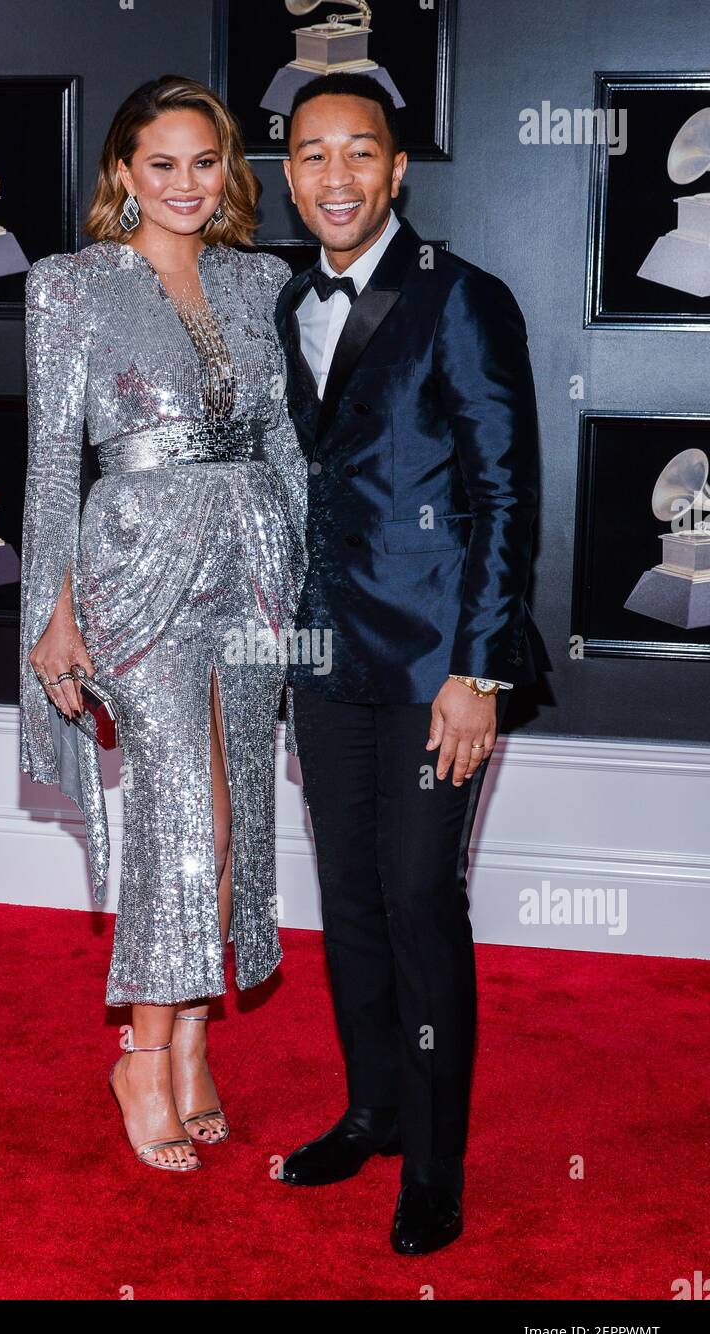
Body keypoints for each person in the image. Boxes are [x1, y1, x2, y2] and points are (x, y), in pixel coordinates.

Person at [274, 73, 550, 1251]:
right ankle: (374, 1109)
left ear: (396, 171)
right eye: (310, 155)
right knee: (347, 903)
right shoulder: (287, 301)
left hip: (442, 668)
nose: (334, 176)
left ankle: (432, 1165)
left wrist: (480, 672)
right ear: (286, 176)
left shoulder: (463, 299)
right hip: (325, 659)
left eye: (359, 153)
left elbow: (504, 494)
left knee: (420, 900)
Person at [19, 75, 307, 1174]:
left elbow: (285, 441)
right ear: (124, 175)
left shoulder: (260, 279)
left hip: (253, 563)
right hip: (136, 568)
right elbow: (51, 466)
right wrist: (52, 615)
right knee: (184, 815)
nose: (186, 184)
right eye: (162, 164)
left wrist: (303, 571)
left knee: (235, 826)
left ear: (228, 170)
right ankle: (139, 1056)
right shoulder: (72, 286)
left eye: (205, 162)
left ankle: (191, 1040)